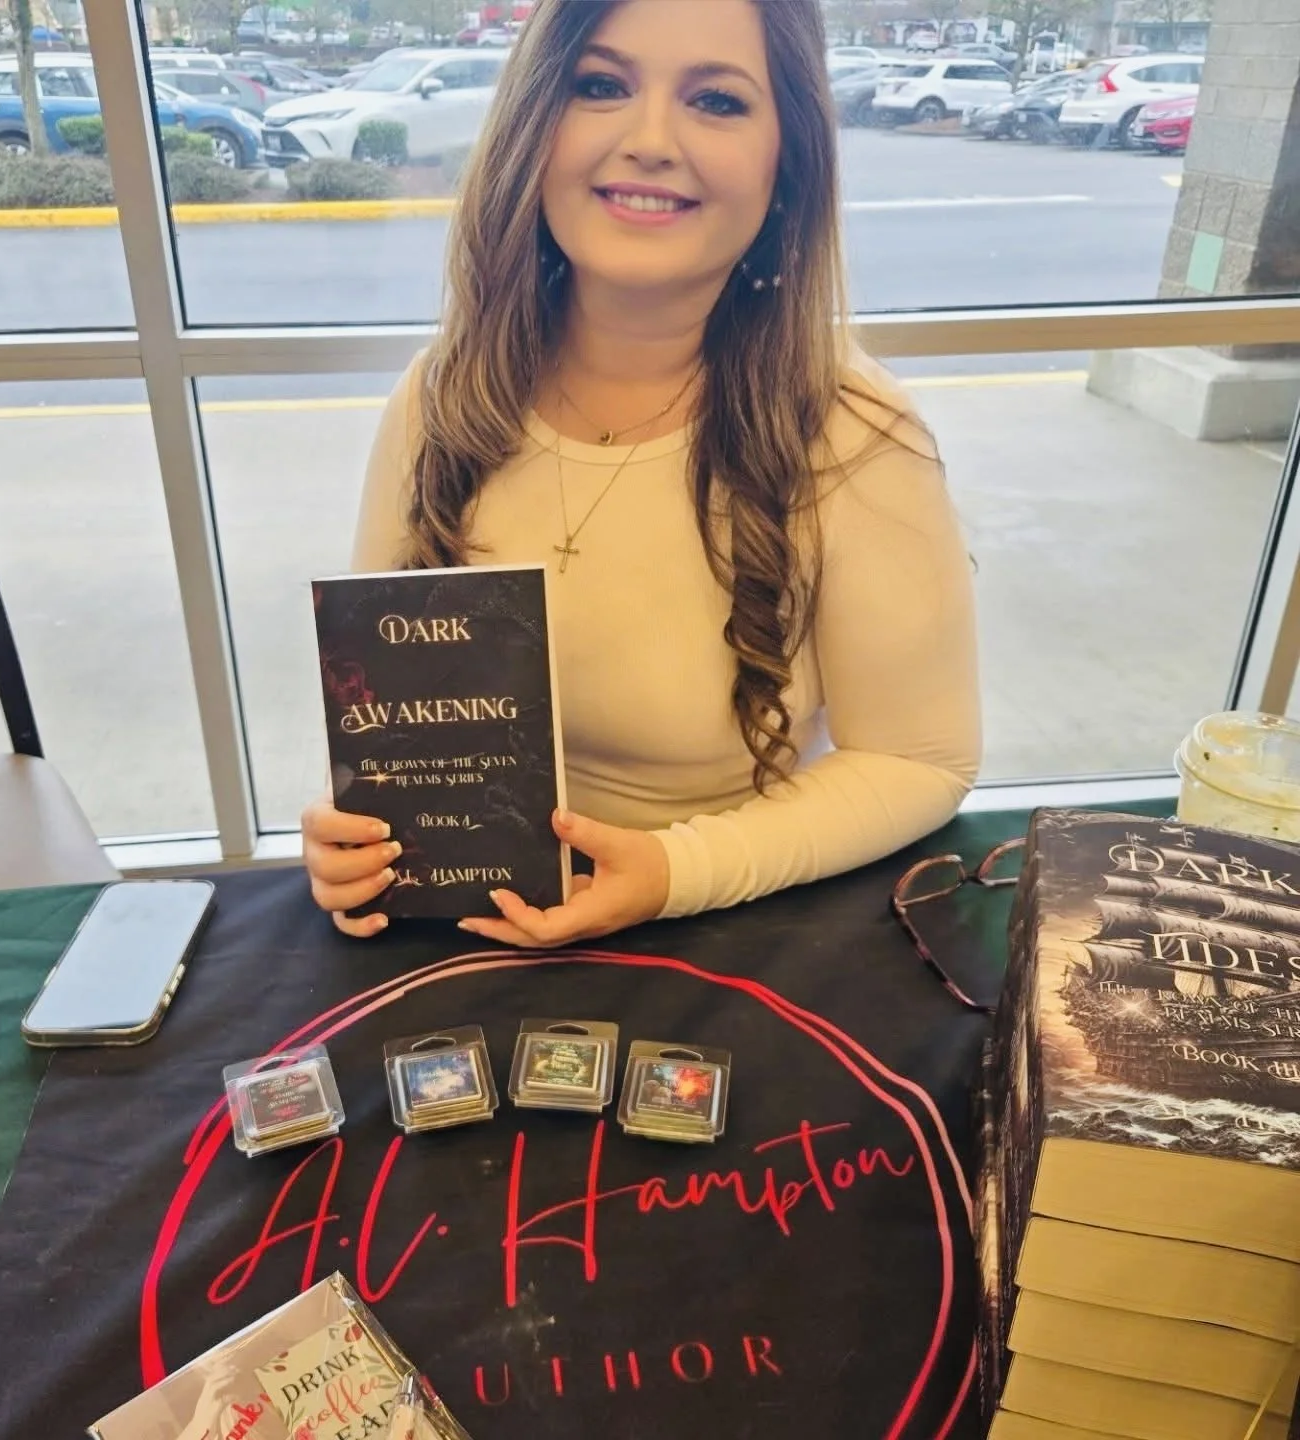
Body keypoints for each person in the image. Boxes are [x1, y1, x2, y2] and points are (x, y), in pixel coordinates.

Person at [302, 0, 981, 948]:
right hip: (466, 933)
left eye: (716, 100)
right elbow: (382, 709)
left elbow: (920, 760)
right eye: (601, 86)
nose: (651, 140)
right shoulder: (439, 396)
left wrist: (672, 873)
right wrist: (356, 837)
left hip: (729, 930)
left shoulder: (855, 430)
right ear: (533, 124)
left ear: (788, 162)